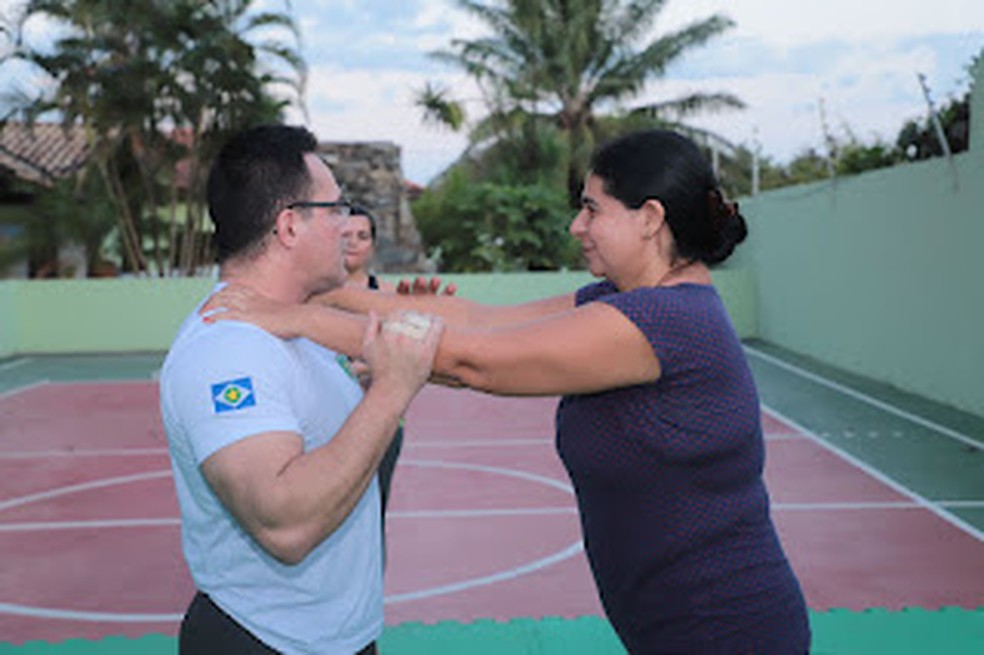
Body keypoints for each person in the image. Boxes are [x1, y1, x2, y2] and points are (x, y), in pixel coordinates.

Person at [203, 129, 811, 654]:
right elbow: (475, 321)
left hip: (727, 628)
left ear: (650, 218)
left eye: (592, 209)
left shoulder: (670, 323)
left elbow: (473, 362)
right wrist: (319, 292)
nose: (577, 226)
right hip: (670, 625)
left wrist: (298, 320)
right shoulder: (623, 300)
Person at [160, 124, 441, 655]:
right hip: (267, 642)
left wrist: (371, 384)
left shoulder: (294, 325)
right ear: (290, 225)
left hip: (332, 638)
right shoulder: (229, 347)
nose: (348, 225)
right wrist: (390, 393)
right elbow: (285, 524)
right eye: (337, 208)